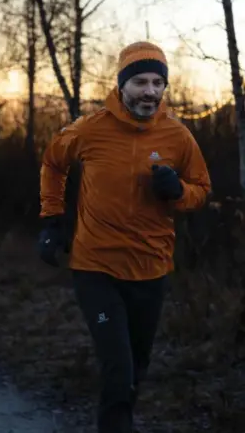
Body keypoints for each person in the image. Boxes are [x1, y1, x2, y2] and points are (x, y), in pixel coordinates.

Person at [37, 41, 211, 433]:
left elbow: (202, 188)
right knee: (118, 368)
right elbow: (52, 162)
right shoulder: (89, 129)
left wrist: (179, 192)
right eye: (139, 82)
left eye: (157, 83)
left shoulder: (178, 137)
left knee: (136, 366)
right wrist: (52, 220)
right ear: (121, 86)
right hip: (96, 268)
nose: (149, 92)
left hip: (151, 270)